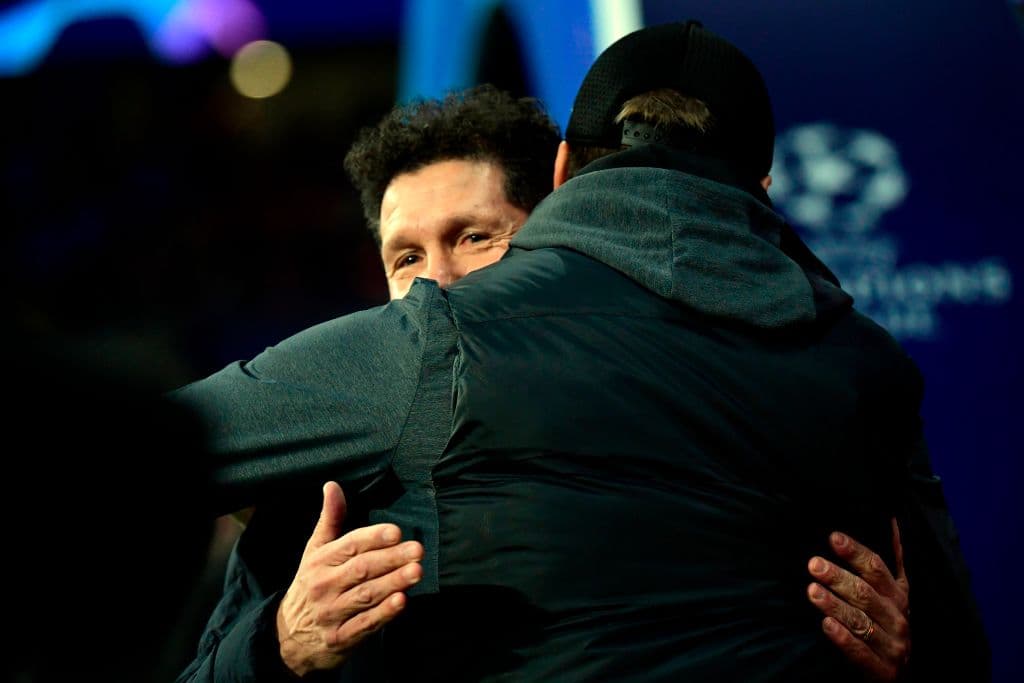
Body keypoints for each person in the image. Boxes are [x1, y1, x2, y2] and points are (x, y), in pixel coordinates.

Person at [172, 22, 986, 681]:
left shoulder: (449, 352)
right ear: (761, 191)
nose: (438, 283)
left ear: (561, 196)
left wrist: (912, 656)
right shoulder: (324, 470)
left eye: (475, 237)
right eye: (406, 257)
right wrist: (279, 644)